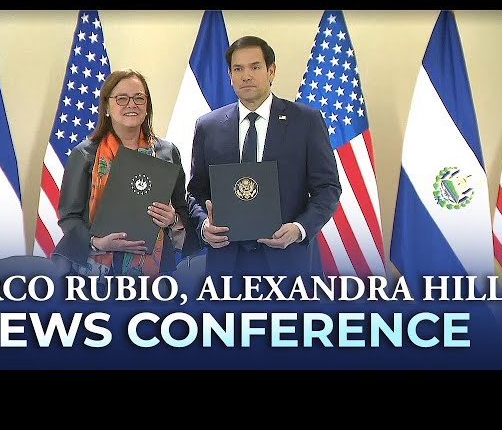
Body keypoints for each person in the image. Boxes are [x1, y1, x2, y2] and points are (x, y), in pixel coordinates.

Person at [187, 36, 341, 295]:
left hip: (290, 264)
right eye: (238, 69)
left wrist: (299, 229)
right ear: (230, 75)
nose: (246, 75)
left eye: (255, 67)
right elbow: (196, 191)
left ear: (271, 71)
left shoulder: (306, 121)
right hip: (227, 267)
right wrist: (204, 226)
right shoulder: (208, 127)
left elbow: (328, 188)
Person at [51, 68, 200, 288]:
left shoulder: (167, 153)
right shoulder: (84, 155)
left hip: (155, 276)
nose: (132, 104)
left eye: (139, 98)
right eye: (122, 98)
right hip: (91, 276)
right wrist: (97, 243)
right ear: (107, 106)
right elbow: (69, 216)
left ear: (147, 106)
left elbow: (182, 210)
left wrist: (173, 220)